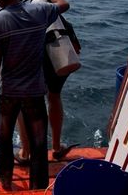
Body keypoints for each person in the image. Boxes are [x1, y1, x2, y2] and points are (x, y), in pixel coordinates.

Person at [0, 0, 69, 190]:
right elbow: (64, 4)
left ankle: (7, 181)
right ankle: (38, 189)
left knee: (3, 139)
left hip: (8, 93)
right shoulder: (40, 11)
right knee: (39, 144)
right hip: (35, 93)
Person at [15, 24, 81, 165]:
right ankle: (56, 148)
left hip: (36, 62)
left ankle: (25, 152)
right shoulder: (58, 19)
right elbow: (76, 49)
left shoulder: (24, 17)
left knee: (23, 103)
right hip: (60, 62)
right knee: (54, 96)